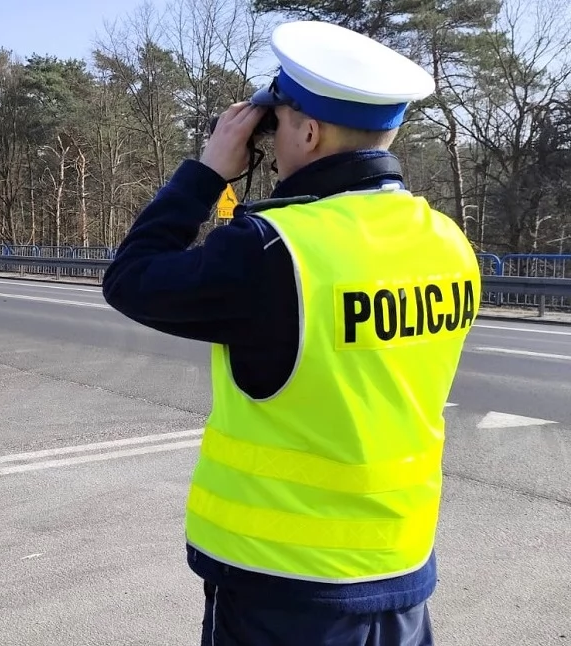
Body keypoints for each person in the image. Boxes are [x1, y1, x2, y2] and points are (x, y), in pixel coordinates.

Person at [101, 20, 482, 646]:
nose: (271, 139)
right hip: (400, 569)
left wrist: (205, 175)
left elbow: (132, 278)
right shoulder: (445, 240)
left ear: (309, 130)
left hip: (286, 585)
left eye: (275, 124)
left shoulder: (276, 251)